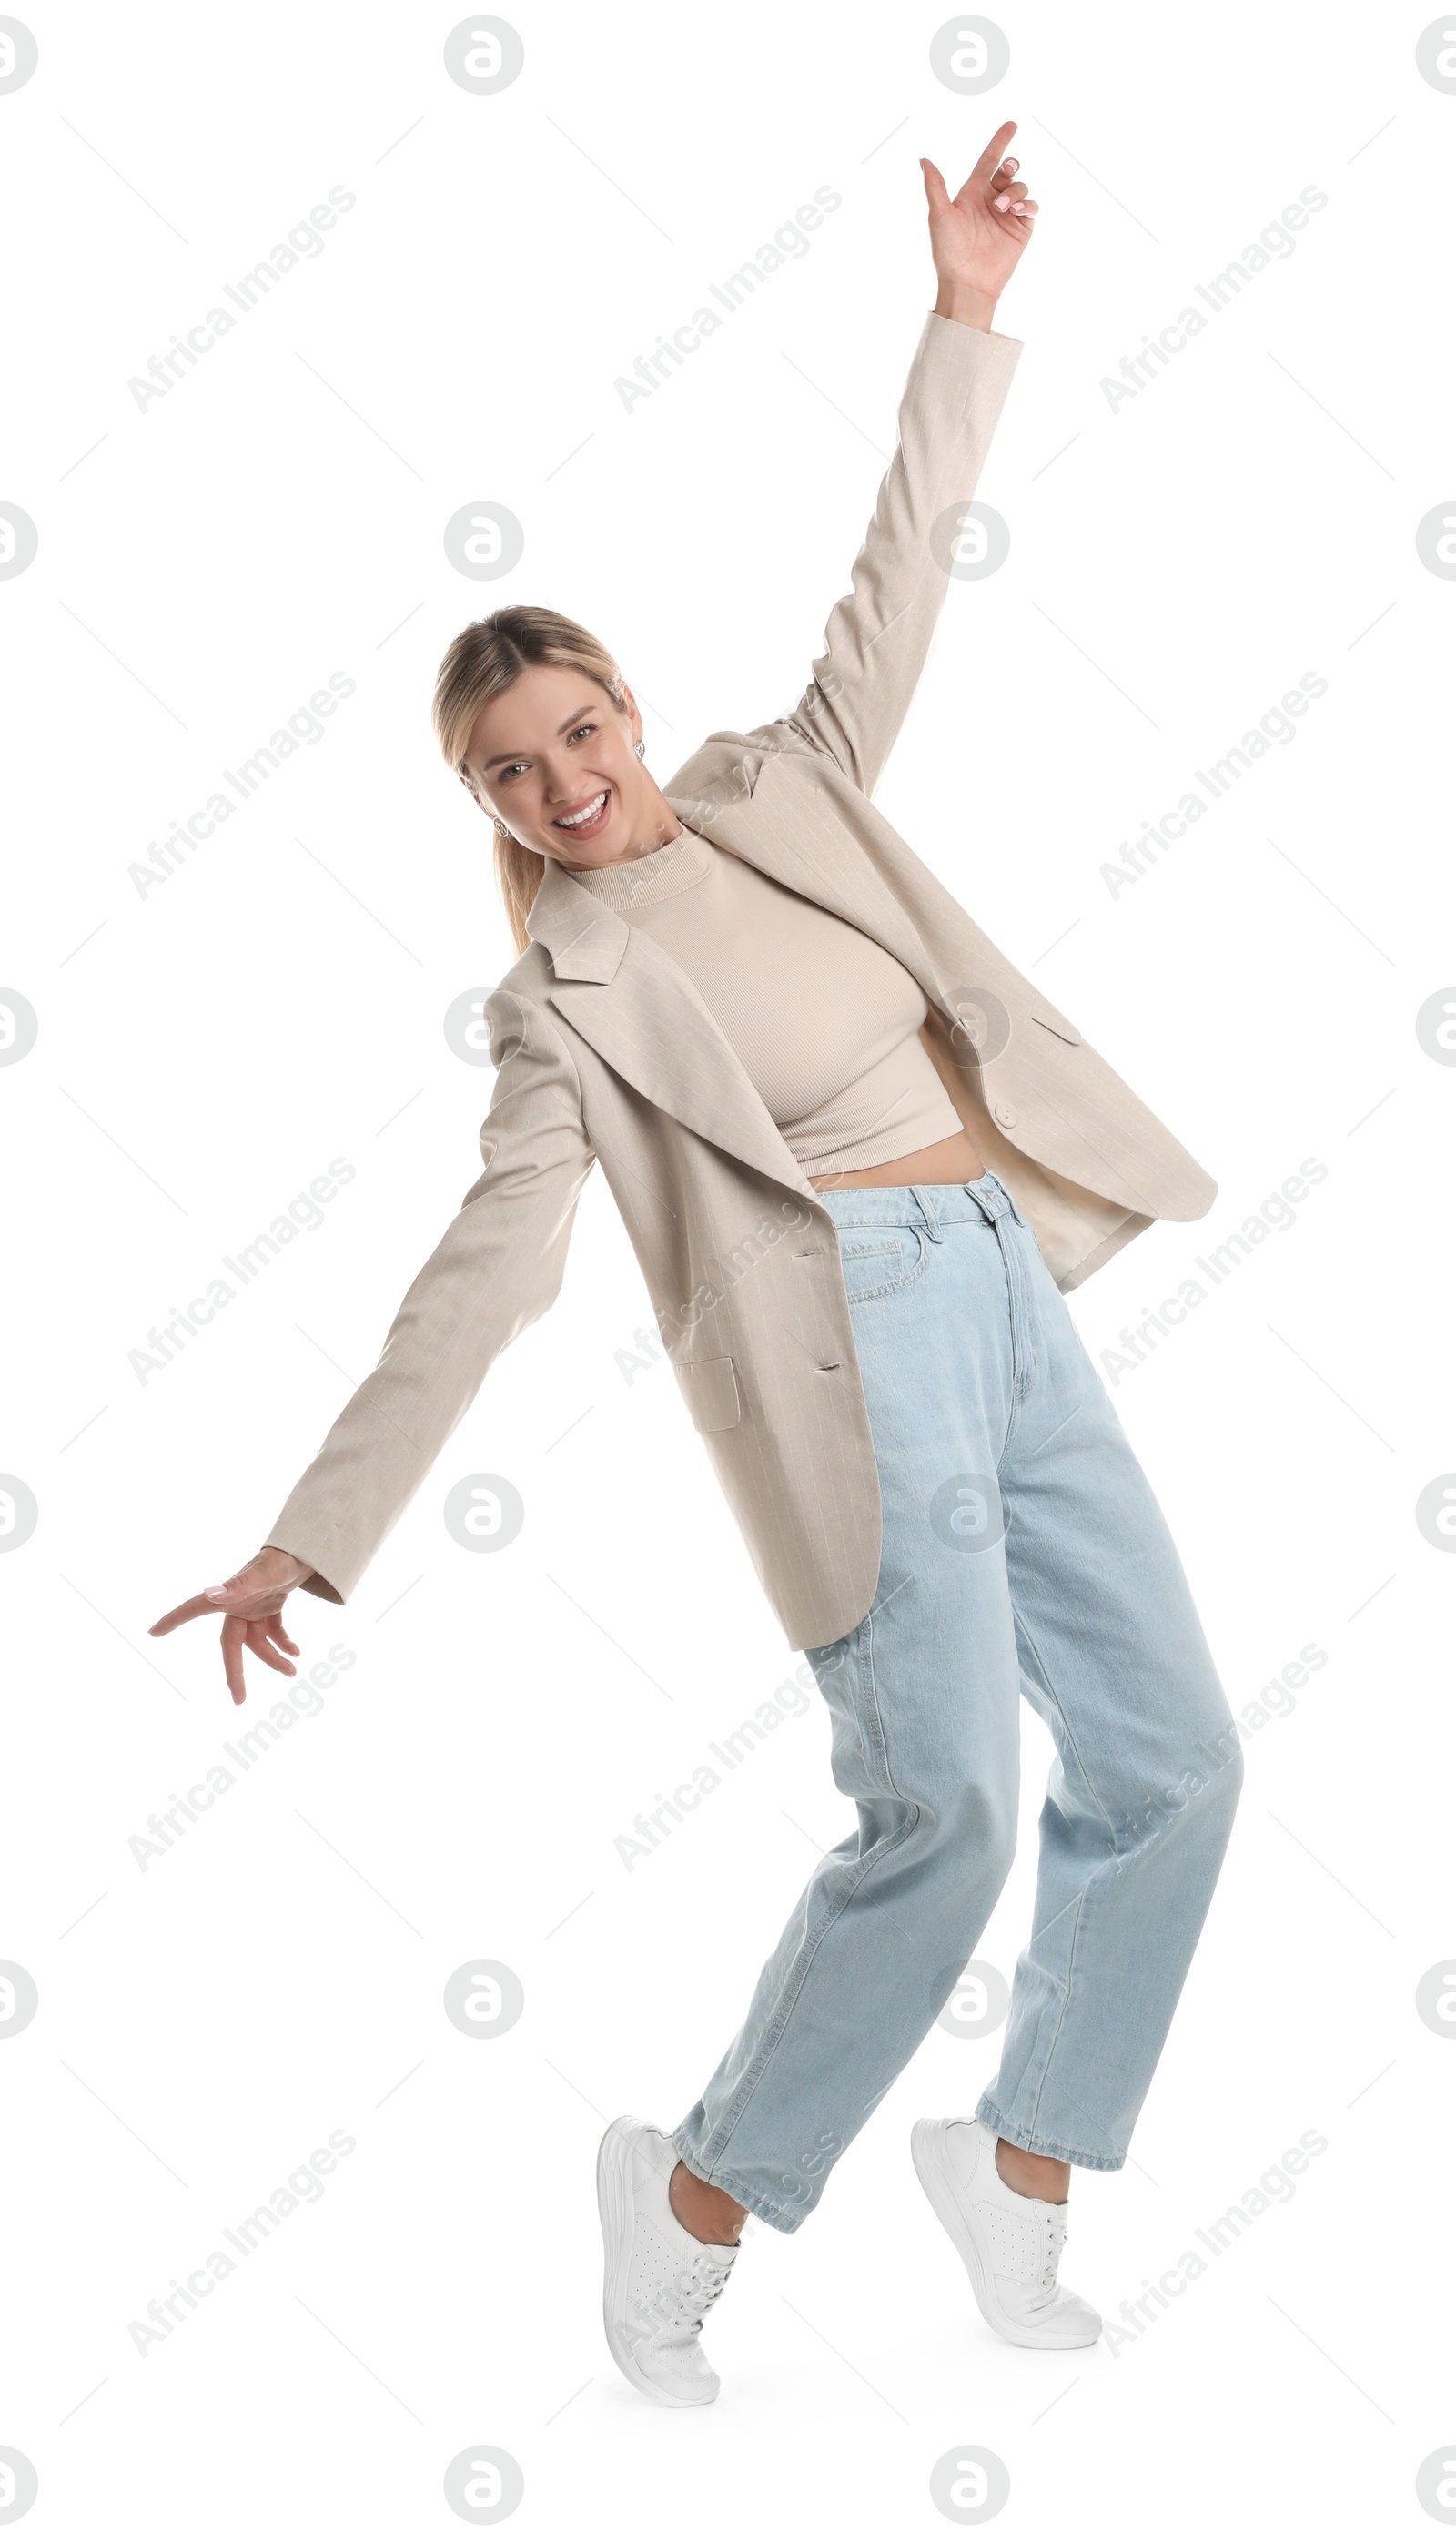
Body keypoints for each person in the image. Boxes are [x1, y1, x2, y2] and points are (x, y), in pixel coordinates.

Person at [151, 123, 1243, 2408]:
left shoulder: (777, 779)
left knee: (1170, 1756)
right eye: (507, 771)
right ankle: (692, 2195)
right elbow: (481, 1272)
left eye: (574, 727)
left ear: (626, 708)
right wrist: (308, 1534)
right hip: (853, 1352)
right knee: (938, 1811)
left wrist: (956, 316)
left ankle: (1022, 2155)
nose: (561, 781)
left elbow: (895, 579)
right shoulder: (557, 1006)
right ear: (483, 812)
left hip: (1005, 1285)